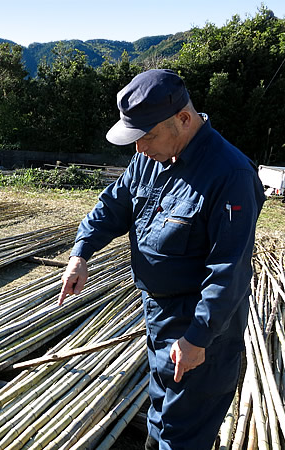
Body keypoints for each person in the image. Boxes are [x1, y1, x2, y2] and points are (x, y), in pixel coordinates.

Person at [58, 69, 265, 449]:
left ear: (184, 120)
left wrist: (197, 338)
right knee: (161, 417)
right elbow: (113, 206)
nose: (138, 147)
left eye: (146, 135)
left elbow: (229, 270)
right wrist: (81, 253)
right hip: (157, 316)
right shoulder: (151, 157)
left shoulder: (230, 175)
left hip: (200, 329)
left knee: (181, 433)